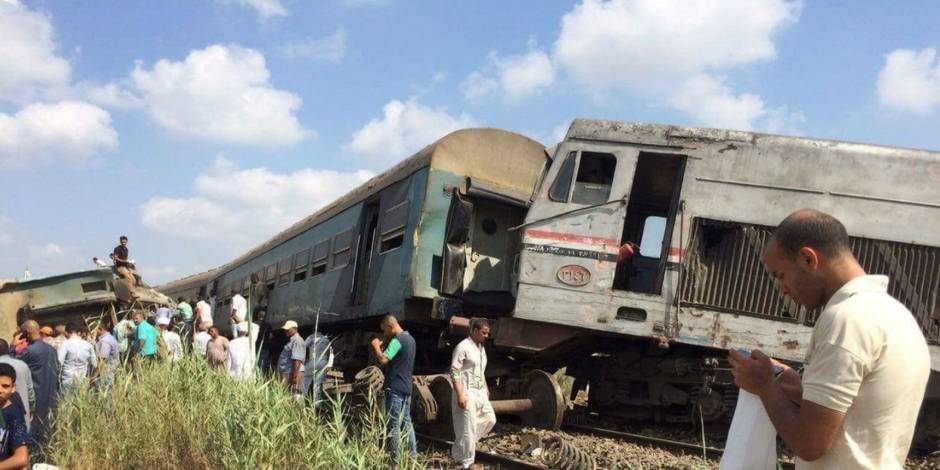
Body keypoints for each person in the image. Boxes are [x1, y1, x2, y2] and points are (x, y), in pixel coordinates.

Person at [729, 209, 931, 469]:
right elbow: (859, 424)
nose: (782, 289)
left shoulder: (845, 320)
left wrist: (765, 385)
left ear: (807, 259)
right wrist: (799, 389)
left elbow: (810, 444)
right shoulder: (898, 316)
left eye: (780, 275)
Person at [368, 314, 417, 463]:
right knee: (407, 422)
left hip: (395, 387)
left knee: (394, 424)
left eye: (385, 331)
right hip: (407, 386)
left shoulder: (397, 340)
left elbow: (383, 360)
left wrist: (376, 346)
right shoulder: (411, 339)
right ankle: (412, 456)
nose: (384, 334)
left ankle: (395, 460)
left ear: (390, 326)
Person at [450, 319, 496, 470]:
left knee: (490, 419)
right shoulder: (463, 347)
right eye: (484, 332)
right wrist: (460, 395)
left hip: (480, 390)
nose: (487, 335)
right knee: (468, 430)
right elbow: (455, 371)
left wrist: (486, 388)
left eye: (488, 333)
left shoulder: (481, 348)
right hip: (466, 390)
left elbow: (481, 371)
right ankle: (467, 463)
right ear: (475, 331)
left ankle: (460, 447)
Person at [15, 320, 57, 444]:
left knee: (35, 430)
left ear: (27, 333)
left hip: (37, 395)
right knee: (49, 428)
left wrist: (12, 346)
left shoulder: (29, 351)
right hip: (52, 394)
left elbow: (12, 364)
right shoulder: (52, 349)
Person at [0, 363, 30, 468]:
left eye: (5, 386)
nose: (0, 390)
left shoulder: (14, 415)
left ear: (13, 388)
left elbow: (21, 458)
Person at [0, 340, 34, 429]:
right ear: (7, 350)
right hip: (22, 413)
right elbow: (30, 391)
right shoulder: (22, 365)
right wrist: (31, 409)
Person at [58, 323, 97, 394]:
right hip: (82, 379)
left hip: (68, 379)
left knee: (67, 402)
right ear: (77, 332)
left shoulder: (65, 344)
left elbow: (59, 362)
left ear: (65, 333)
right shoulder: (88, 345)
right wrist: (92, 377)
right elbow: (94, 364)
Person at [302, 331, 333, 405]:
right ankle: (317, 404)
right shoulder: (327, 340)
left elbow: (303, 347)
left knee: (305, 381)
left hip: (313, 361)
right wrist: (329, 365)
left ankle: (303, 401)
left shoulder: (311, 337)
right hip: (323, 363)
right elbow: (330, 353)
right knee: (318, 385)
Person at [277, 321, 305, 393]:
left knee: (294, 395)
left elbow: (297, 360)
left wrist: (295, 377)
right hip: (288, 372)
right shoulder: (292, 340)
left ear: (295, 329)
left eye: (288, 329)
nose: (286, 331)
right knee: (288, 395)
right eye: (285, 329)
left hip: (291, 373)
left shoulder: (297, 340)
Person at [95, 323, 120, 392]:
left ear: (100, 329)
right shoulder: (110, 337)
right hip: (111, 369)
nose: (94, 332)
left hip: (106, 371)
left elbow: (102, 361)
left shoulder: (105, 342)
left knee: (104, 391)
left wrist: (94, 376)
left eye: (95, 330)